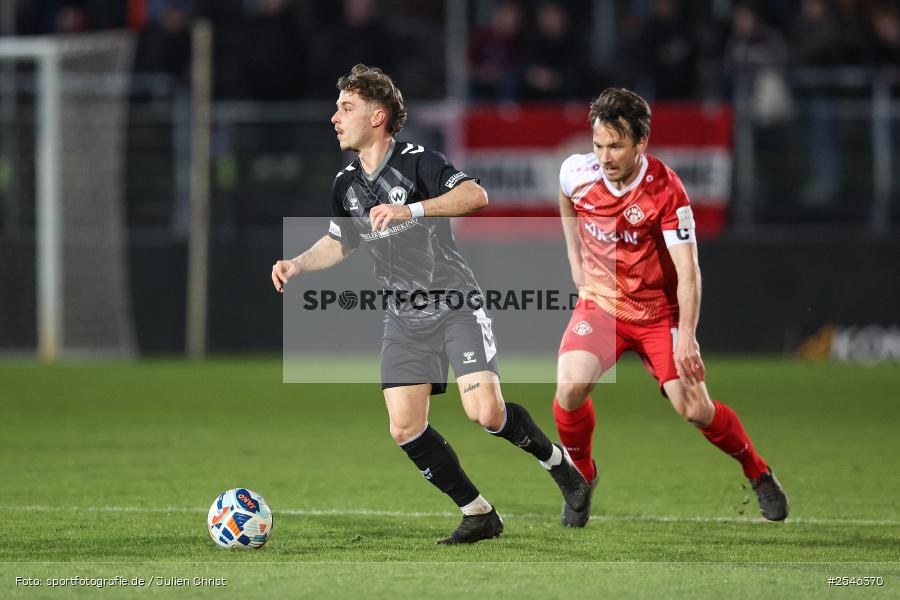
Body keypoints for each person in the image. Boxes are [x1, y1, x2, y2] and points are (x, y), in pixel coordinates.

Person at [272, 64, 589, 544]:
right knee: (404, 427)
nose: (334, 117)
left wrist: (412, 208)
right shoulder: (346, 184)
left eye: (346, 107)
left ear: (378, 116)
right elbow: (341, 242)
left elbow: (475, 195)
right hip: (403, 317)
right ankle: (479, 513)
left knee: (485, 413)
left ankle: (558, 464)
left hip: (455, 304)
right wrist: (296, 264)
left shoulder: (418, 161)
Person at [552, 87, 789, 527]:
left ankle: (758, 472)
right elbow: (566, 197)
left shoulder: (665, 191)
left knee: (696, 409)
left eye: (616, 146)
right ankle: (582, 477)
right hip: (602, 306)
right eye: (599, 145)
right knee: (568, 389)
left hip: (660, 314)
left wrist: (688, 337)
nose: (605, 156)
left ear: (642, 143)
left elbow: (689, 271)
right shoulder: (576, 171)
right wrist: (574, 259)